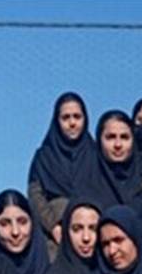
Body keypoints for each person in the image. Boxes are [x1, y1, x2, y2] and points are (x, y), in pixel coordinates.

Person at [27, 92, 93, 247]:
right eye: (66, 117)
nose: (72, 123)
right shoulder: (43, 157)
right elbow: (35, 195)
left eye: (77, 117)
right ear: (57, 121)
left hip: (90, 234)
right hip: (54, 235)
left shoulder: (96, 155)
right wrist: (53, 226)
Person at [77, 109, 142, 209]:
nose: (118, 144)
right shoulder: (85, 188)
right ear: (99, 141)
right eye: (111, 137)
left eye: (124, 137)